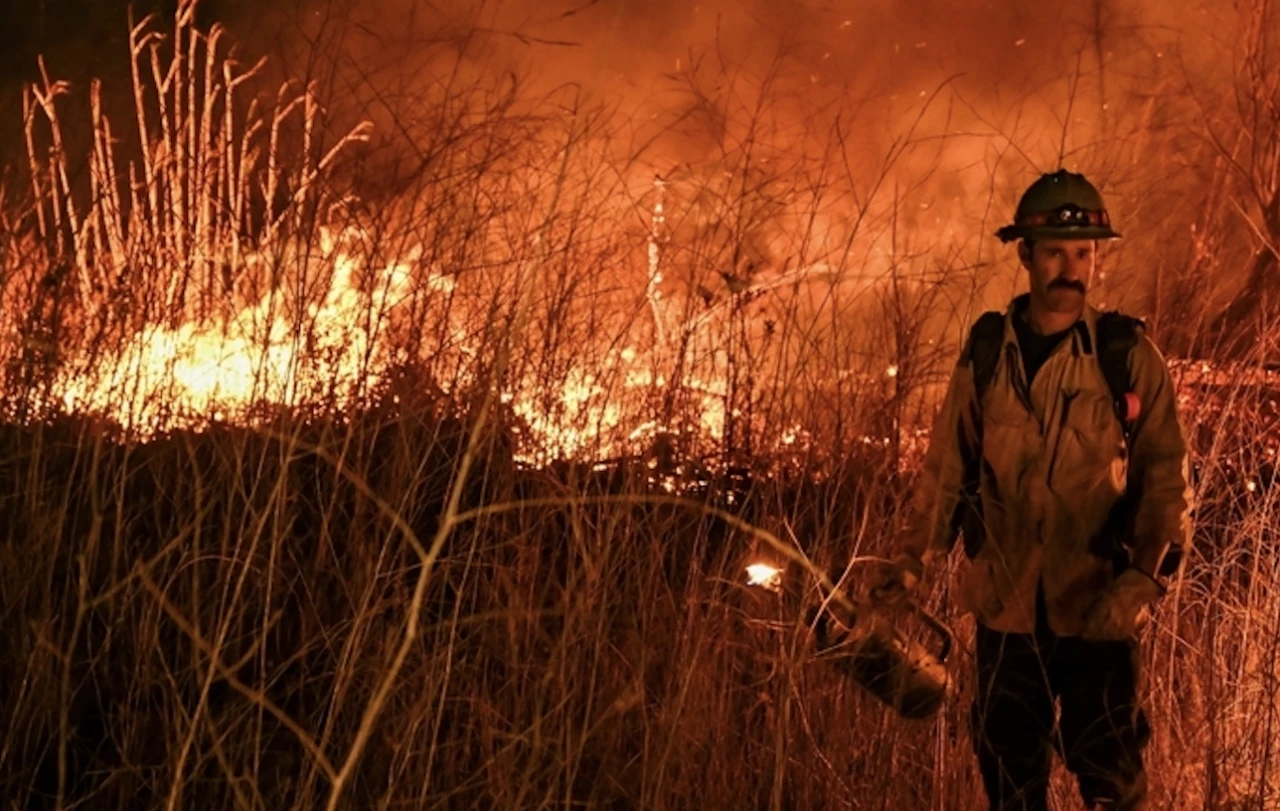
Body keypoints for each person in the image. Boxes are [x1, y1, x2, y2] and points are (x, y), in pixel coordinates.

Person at [881, 169, 1194, 810]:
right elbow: (947, 468)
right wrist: (912, 561)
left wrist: (1140, 582)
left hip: (1097, 608)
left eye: (1083, 253)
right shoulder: (989, 353)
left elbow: (1166, 476)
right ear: (1024, 254)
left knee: (1112, 780)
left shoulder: (1126, 355)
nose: (1070, 267)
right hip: (1006, 610)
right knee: (1009, 777)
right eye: (1054, 251)